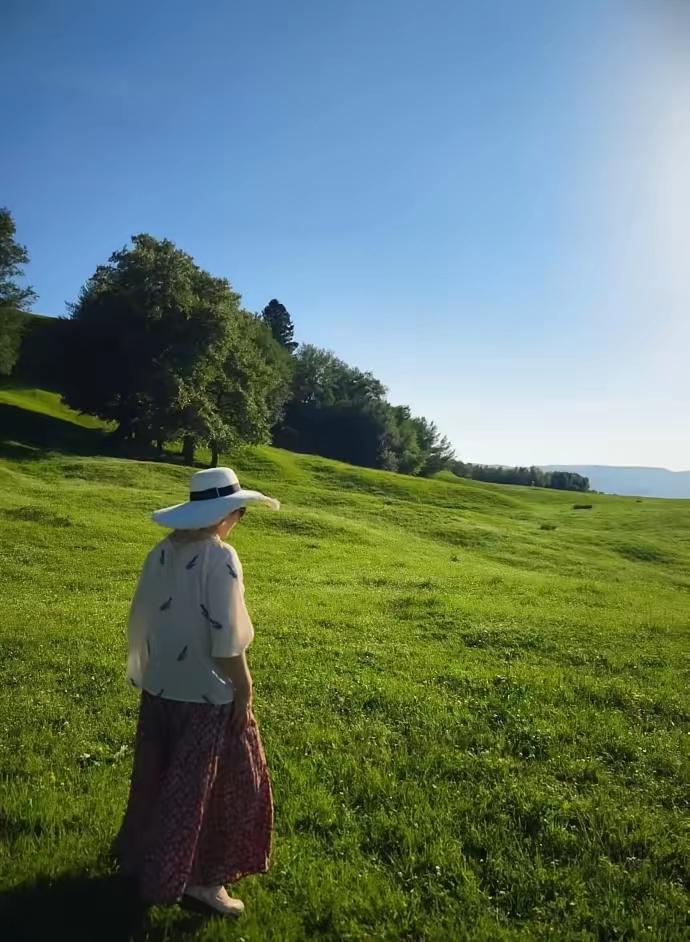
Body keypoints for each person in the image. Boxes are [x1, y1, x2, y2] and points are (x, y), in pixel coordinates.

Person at [114, 466, 280, 918]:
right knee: (224, 789)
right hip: (208, 694)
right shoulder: (220, 557)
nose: (238, 520)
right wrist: (244, 689)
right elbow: (226, 639)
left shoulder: (161, 552)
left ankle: (150, 862)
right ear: (225, 516)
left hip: (162, 687)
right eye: (239, 513)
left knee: (162, 779)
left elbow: (146, 618)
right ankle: (203, 881)